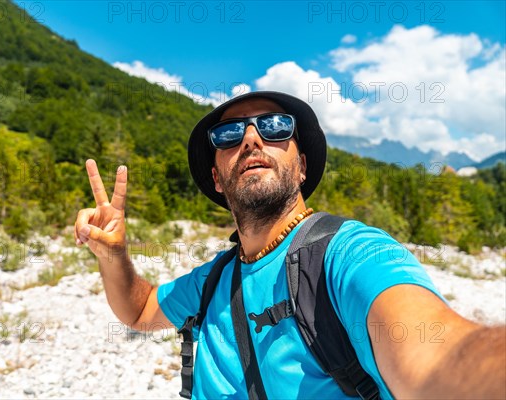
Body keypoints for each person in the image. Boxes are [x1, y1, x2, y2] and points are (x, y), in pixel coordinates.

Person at [74, 91, 505, 399]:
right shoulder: (213, 280)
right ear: (217, 179)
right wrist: (113, 255)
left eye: (275, 127)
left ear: (301, 167)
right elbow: (139, 310)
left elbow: (437, 358)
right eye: (228, 135)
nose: (250, 139)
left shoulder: (347, 254)